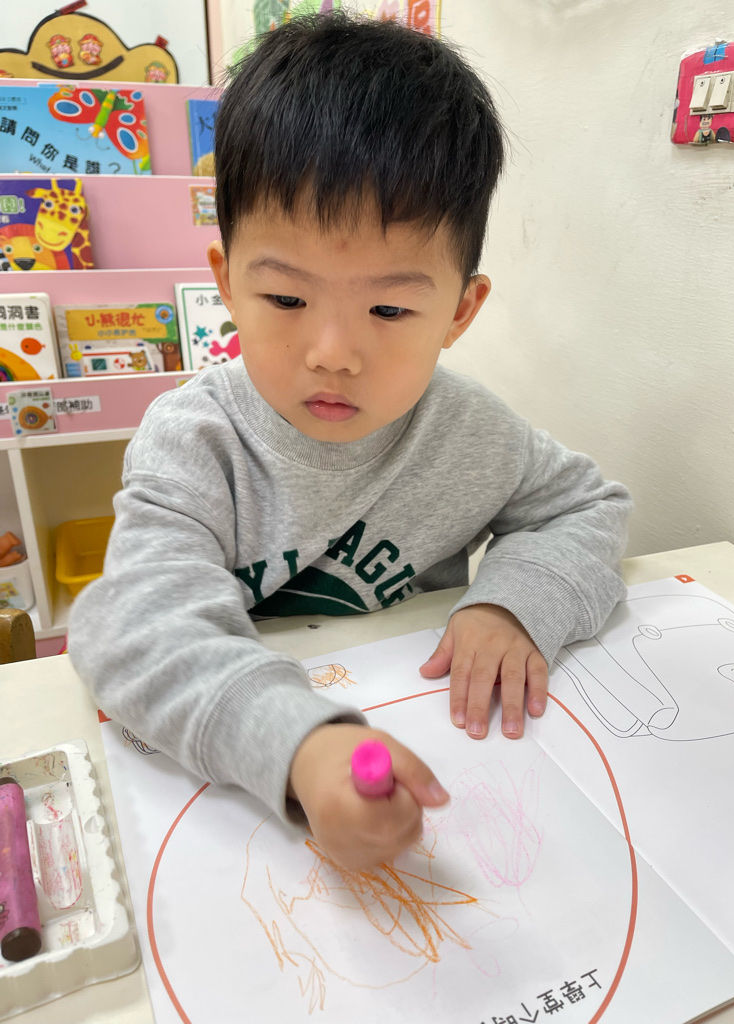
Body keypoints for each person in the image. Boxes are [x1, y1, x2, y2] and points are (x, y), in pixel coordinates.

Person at [68, 11, 632, 872]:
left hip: (447, 748)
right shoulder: (195, 442)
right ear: (227, 283)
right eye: (287, 300)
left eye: (390, 308)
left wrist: (513, 603)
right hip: (245, 792)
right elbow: (134, 629)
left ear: (460, 312)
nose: (333, 353)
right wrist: (298, 744)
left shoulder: (471, 431)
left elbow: (586, 506)